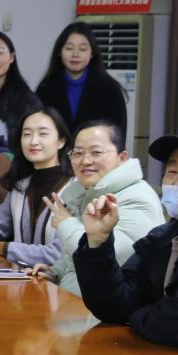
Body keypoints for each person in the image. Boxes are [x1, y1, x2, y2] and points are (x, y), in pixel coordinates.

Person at [73, 129, 178, 355]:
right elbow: (114, 305)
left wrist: (135, 314)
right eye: (172, 171)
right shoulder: (162, 239)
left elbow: (177, 320)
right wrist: (97, 242)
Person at [36, 120, 163, 295]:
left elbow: (115, 256)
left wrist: (66, 223)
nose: (85, 161)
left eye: (96, 152)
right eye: (78, 153)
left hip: (110, 307)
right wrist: (56, 272)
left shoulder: (137, 197)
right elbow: (75, 259)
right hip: (77, 299)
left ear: (122, 157)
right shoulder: (88, 192)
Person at [0, 107, 73, 266]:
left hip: (59, 280)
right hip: (21, 278)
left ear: (61, 141)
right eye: (27, 134)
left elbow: (59, 253)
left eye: (43, 134)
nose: (33, 141)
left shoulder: (75, 188)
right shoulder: (22, 185)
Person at [36, 21, 127, 134]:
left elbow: (118, 135)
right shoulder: (46, 89)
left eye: (82, 49)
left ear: (92, 53)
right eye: (69, 48)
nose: (75, 54)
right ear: (59, 52)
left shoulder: (110, 90)